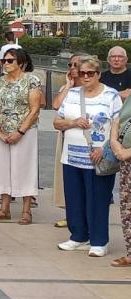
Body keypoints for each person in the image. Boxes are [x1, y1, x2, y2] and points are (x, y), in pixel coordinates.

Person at [54, 56, 121, 258]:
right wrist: (73, 122)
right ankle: (78, 236)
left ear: (98, 74)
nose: (85, 77)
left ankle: (99, 240)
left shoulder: (111, 95)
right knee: (74, 198)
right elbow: (57, 122)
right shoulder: (72, 94)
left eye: (90, 73)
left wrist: (105, 149)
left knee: (98, 199)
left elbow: (117, 127)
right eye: (82, 73)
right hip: (71, 156)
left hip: (98, 157)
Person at [0, 48, 43, 225]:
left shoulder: (31, 81)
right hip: (1, 131)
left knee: (24, 167)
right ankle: (4, 208)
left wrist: (20, 131)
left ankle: (26, 210)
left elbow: (35, 109)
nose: (6, 64)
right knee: (1, 167)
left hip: (25, 131)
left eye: (10, 60)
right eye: (4, 60)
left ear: (21, 63)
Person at [51, 54, 85, 229]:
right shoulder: (68, 88)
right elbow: (56, 105)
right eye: (70, 64)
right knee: (66, 179)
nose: (72, 68)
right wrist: (68, 86)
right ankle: (70, 214)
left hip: (86, 139)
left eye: (76, 65)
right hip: (66, 136)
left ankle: (84, 216)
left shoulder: (92, 88)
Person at [109, 88, 131, 267]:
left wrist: (126, 152)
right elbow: (118, 120)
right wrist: (115, 142)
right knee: (127, 208)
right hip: (126, 162)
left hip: (127, 154)